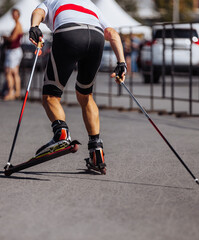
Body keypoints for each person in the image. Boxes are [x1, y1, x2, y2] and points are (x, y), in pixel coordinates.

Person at [29, 0, 127, 173]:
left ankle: (61, 134)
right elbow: (111, 33)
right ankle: (96, 151)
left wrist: (34, 27)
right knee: (85, 95)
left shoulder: (52, 0)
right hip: (96, 38)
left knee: (51, 96)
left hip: (69, 34)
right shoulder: (90, 5)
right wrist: (122, 63)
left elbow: (38, 12)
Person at [2, 8, 24, 101]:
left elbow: (13, 38)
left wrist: (5, 37)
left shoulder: (18, 25)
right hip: (13, 51)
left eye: (15, 14)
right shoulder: (17, 25)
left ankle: (11, 92)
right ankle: (17, 92)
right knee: (14, 72)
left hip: (14, 51)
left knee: (9, 72)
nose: (14, 16)